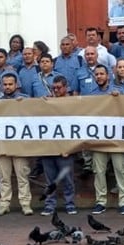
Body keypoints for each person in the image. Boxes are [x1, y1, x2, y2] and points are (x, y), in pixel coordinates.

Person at [81, 65, 124, 215]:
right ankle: (100, 201)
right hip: (99, 139)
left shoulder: (118, 91)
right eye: (97, 74)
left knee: (121, 170)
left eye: (102, 74)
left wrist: (119, 99)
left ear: (108, 75)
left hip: (116, 139)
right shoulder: (91, 95)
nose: (99, 76)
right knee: (99, 172)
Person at [0, 73, 33, 215]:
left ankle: (25, 204)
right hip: (2, 145)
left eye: (10, 84)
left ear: (16, 85)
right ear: (1, 86)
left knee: (22, 176)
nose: (8, 87)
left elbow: (37, 114)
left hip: (20, 145)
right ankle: (4, 204)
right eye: (5, 84)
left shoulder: (26, 99)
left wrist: (28, 105)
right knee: (4, 177)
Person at [40, 76, 78, 216]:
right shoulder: (46, 102)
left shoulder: (73, 103)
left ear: (66, 87)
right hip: (48, 148)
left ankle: (70, 204)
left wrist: (71, 147)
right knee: (50, 180)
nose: (56, 90)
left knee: (67, 179)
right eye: (53, 88)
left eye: (58, 88)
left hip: (66, 149)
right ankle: (50, 205)